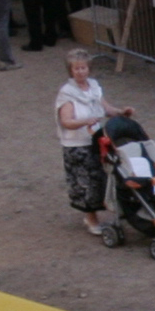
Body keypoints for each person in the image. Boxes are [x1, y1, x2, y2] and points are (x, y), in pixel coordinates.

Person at [49, 50, 113, 238]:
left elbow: (105, 107)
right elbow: (66, 121)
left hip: (95, 140)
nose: (80, 71)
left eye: (83, 67)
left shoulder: (94, 86)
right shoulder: (67, 93)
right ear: (71, 70)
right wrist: (85, 122)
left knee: (102, 177)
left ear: (88, 68)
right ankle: (91, 218)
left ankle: (102, 211)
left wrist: (120, 112)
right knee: (86, 182)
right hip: (77, 145)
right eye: (76, 68)